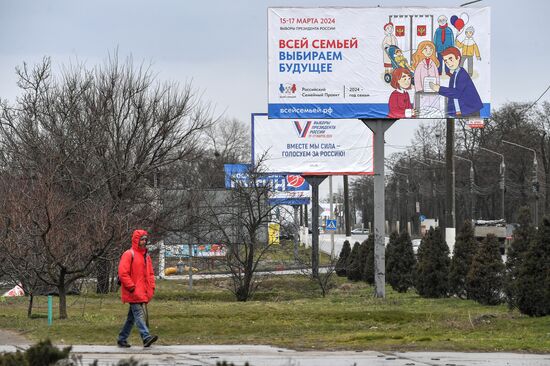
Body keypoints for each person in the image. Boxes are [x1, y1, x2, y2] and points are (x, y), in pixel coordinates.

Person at [117, 229, 158, 348]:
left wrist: (151, 287)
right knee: (139, 314)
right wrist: (131, 287)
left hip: (142, 291)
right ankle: (146, 337)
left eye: (145, 239)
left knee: (131, 318)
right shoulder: (129, 254)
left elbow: (150, 274)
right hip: (133, 291)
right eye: (142, 239)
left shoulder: (146, 256)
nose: (144, 241)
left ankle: (122, 338)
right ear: (136, 240)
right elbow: (123, 273)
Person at [429, 47, 483, 118]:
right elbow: (451, 94)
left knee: (473, 128)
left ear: (458, 58)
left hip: (470, 111)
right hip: (461, 112)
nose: (448, 63)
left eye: (450, 59)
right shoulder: (454, 75)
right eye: (445, 61)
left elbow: (457, 93)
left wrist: (439, 89)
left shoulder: (462, 74)